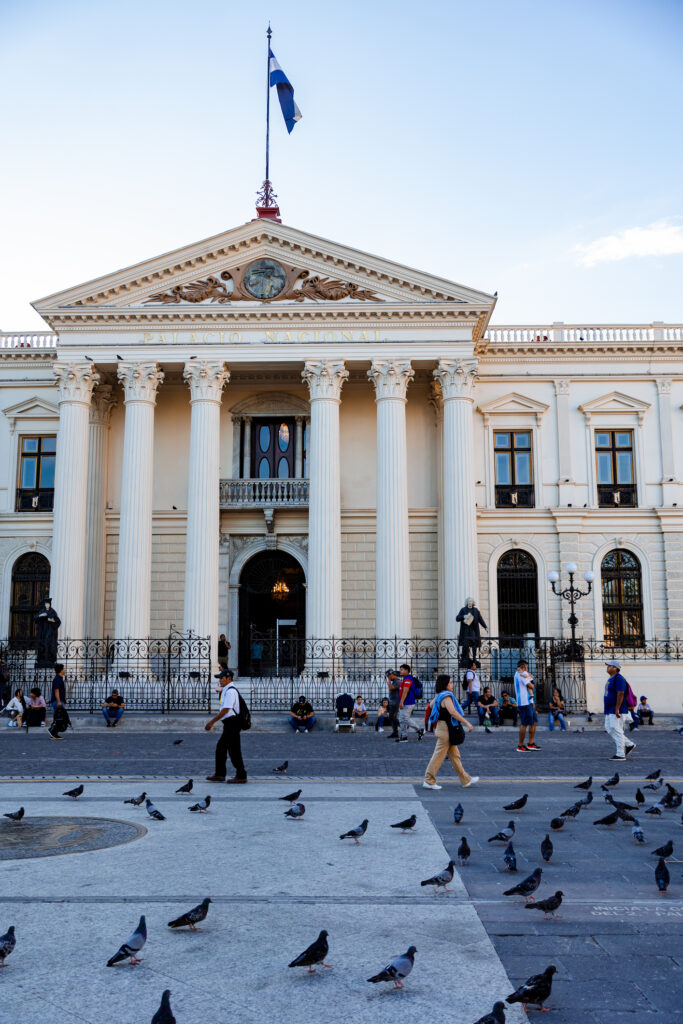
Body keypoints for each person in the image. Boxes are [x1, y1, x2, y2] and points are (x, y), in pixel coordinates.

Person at [423, 675, 479, 790]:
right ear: (445, 684)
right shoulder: (446, 697)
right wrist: (467, 723)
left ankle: (465, 779)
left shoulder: (439, 695)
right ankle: (428, 780)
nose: (452, 685)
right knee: (438, 756)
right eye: (450, 683)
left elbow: (430, 706)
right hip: (445, 730)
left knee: (455, 756)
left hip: (443, 728)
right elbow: (453, 712)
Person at [205, 669, 247, 783]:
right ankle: (227, 774)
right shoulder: (227, 689)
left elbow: (226, 710)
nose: (220, 680)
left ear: (229, 679)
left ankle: (236, 775)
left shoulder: (230, 692)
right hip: (230, 723)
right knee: (229, 749)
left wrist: (212, 722)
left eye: (222, 678)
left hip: (232, 723)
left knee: (226, 749)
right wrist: (220, 689)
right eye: (219, 678)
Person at [603, 660, 636, 760]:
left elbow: (621, 693)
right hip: (610, 709)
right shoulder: (611, 678)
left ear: (615, 668)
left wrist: (617, 709)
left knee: (616, 729)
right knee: (609, 728)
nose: (607, 667)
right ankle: (629, 744)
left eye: (609, 666)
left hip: (617, 709)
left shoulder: (619, 678)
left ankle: (620, 754)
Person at [514, 659, 540, 751]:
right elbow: (531, 686)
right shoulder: (520, 674)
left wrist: (532, 702)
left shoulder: (522, 674)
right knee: (524, 723)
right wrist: (530, 678)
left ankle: (530, 743)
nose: (527, 669)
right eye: (526, 667)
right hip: (524, 702)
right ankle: (520, 745)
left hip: (528, 702)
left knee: (534, 722)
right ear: (523, 667)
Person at [396, 664, 424, 743]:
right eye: (400, 669)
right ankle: (404, 736)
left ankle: (419, 730)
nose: (400, 671)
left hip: (408, 702)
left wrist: (401, 702)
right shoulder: (405, 679)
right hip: (405, 702)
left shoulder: (408, 679)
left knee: (404, 719)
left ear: (407, 670)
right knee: (402, 719)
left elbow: (405, 691)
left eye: (402, 669)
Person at [456, 599, 487, 666]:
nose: (470, 602)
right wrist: (463, 616)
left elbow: (480, 620)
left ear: (473, 603)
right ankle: (465, 658)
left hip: (473, 630)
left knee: (474, 644)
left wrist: (485, 627)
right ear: (467, 602)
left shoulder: (476, 610)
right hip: (465, 631)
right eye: (469, 601)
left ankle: (474, 658)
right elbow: (457, 618)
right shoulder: (463, 610)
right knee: (465, 645)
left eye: (471, 601)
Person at [385, 668, 401, 738]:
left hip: (395, 703)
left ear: (391, 675)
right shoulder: (394, 681)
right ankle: (395, 732)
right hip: (393, 702)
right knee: (392, 717)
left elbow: (391, 688)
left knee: (391, 717)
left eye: (388, 676)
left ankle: (402, 725)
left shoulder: (397, 681)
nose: (388, 678)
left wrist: (389, 680)